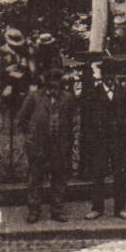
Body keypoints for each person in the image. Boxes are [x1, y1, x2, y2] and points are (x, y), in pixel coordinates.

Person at [16, 65, 77, 223]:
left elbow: (71, 121)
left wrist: (67, 141)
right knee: (36, 178)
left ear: (61, 84)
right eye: (50, 83)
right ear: (45, 84)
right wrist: (30, 136)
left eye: (56, 83)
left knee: (58, 177)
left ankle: (57, 210)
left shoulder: (68, 98)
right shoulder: (34, 97)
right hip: (38, 143)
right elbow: (22, 119)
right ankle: (34, 210)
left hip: (58, 144)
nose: (53, 86)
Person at [80, 62, 126, 220]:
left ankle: (120, 208)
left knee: (120, 174)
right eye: (107, 75)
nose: (110, 78)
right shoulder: (93, 94)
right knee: (97, 173)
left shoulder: (124, 93)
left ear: (116, 76)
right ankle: (97, 208)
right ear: (102, 76)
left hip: (119, 141)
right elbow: (88, 118)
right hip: (100, 141)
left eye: (113, 75)